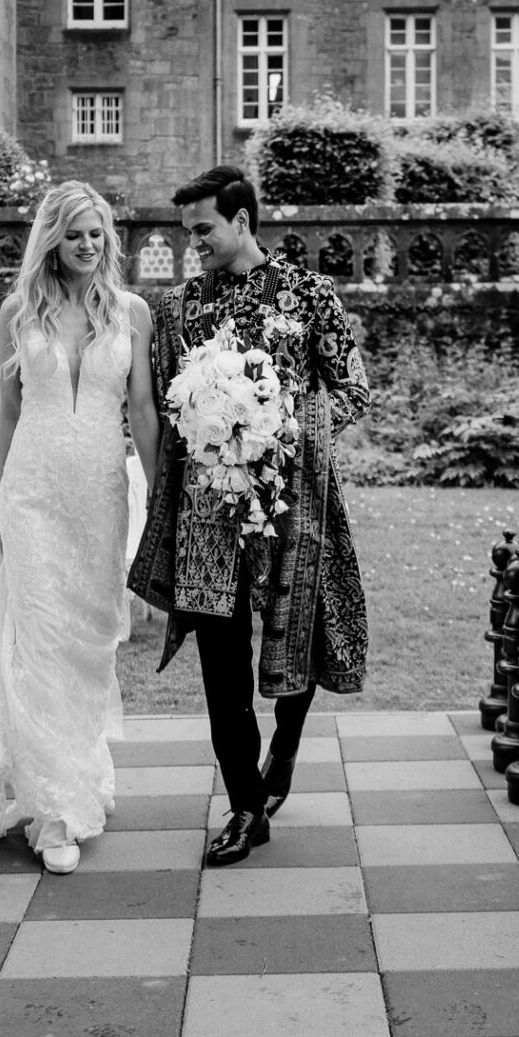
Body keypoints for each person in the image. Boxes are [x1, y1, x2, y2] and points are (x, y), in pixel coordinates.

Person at [0, 181, 161, 876]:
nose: (88, 245)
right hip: (34, 492)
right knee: (36, 645)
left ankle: (73, 769)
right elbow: (7, 414)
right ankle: (52, 811)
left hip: (101, 495)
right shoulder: (20, 311)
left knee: (87, 647)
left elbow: (141, 413)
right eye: (74, 233)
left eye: (97, 233)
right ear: (52, 239)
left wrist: (161, 499)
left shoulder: (132, 313)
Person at [129, 165, 372, 866]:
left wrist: (284, 424)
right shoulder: (177, 308)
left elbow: (351, 387)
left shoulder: (306, 292)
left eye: (202, 230)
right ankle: (243, 805)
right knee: (218, 653)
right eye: (187, 232)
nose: (192, 243)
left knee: (300, 628)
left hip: (292, 497)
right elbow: (172, 403)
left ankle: (286, 752)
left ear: (241, 221)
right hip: (208, 508)